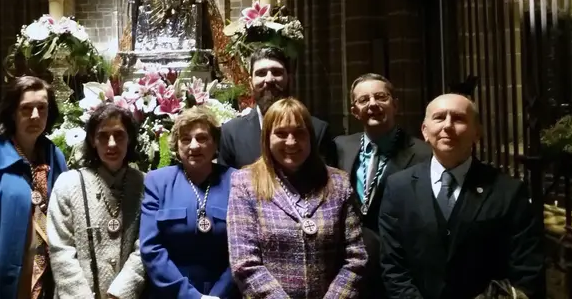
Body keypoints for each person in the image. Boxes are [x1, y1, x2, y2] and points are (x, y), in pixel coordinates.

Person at [379, 94, 545, 299]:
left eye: (458, 118)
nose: (448, 126)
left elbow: (526, 269)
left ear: (477, 132)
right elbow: (393, 265)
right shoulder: (398, 187)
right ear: (425, 131)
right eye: (439, 118)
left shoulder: (508, 191)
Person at [227, 98, 366, 298]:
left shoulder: (338, 182)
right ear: (267, 138)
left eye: (299, 133)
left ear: (310, 137)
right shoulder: (245, 183)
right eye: (281, 134)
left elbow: (356, 257)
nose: (291, 142)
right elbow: (244, 263)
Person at [0, 76, 68, 299]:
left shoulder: (55, 156)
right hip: (0, 280)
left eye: (42, 108)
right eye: (26, 108)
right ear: (12, 112)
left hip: (46, 276)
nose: (35, 115)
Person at [334, 73, 431, 297]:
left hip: (400, 269)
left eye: (380, 97)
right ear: (354, 111)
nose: (373, 104)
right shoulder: (340, 147)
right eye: (364, 100)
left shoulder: (423, 154)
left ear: (395, 105)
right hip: (351, 268)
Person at [47, 103, 146, 298]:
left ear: (130, 138)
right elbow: (60, 248)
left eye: (119, 135)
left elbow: (145, 245)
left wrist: (120, 293)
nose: (111, 144)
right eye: (103, 136)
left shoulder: (145, 184)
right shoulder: (68, 184)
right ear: (92, 140)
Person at [140, 107, 239, 298]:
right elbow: (151, 248)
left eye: (202, 138)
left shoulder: (236, 181)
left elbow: (244, 247)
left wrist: (219, 294)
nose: (194, 146)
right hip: (171, 294)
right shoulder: (158, 182)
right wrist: (190, 296)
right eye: (186, 139)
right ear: (177, 145)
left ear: (215, 143)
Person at [219, 47, 335, 169]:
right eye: (261, 73)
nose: (269, 79)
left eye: (277, 72)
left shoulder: (317, 131)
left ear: (289, 79)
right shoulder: (232, 134)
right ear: (250, 83)